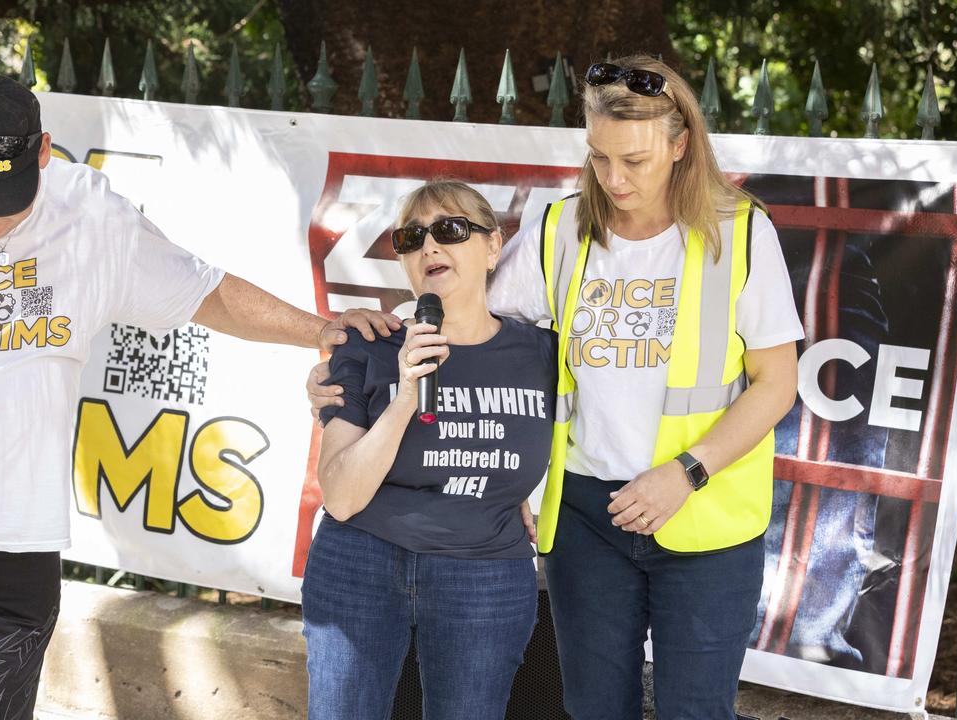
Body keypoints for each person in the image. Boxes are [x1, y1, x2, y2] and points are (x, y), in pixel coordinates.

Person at [0, 75, 396, 719]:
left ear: (43, 153)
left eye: (2, 196)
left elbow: (202, 291)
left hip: (13, 549)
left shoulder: (91, 214)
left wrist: (322, 331)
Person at [309, 54, 803, 719]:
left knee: (696, 712)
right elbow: (467, 312)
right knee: (595, 709)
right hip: (586, 522)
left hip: (701, 513)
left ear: (681, 146)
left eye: (635, 160)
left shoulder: (741, 233)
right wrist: (368, 347)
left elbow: (776, 384)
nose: (614, 178)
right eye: (600, 157)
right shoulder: (560, 228)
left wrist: (684, 474)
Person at [302, 180, 556, 719]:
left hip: (484, 573)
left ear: (494, 247)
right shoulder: (369, 346)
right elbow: (343, 497)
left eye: (450, 230)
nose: (429, 248)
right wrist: (405, 396)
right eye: (412, 238)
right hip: (362, 560)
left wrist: (517, 494)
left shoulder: (544, 354)